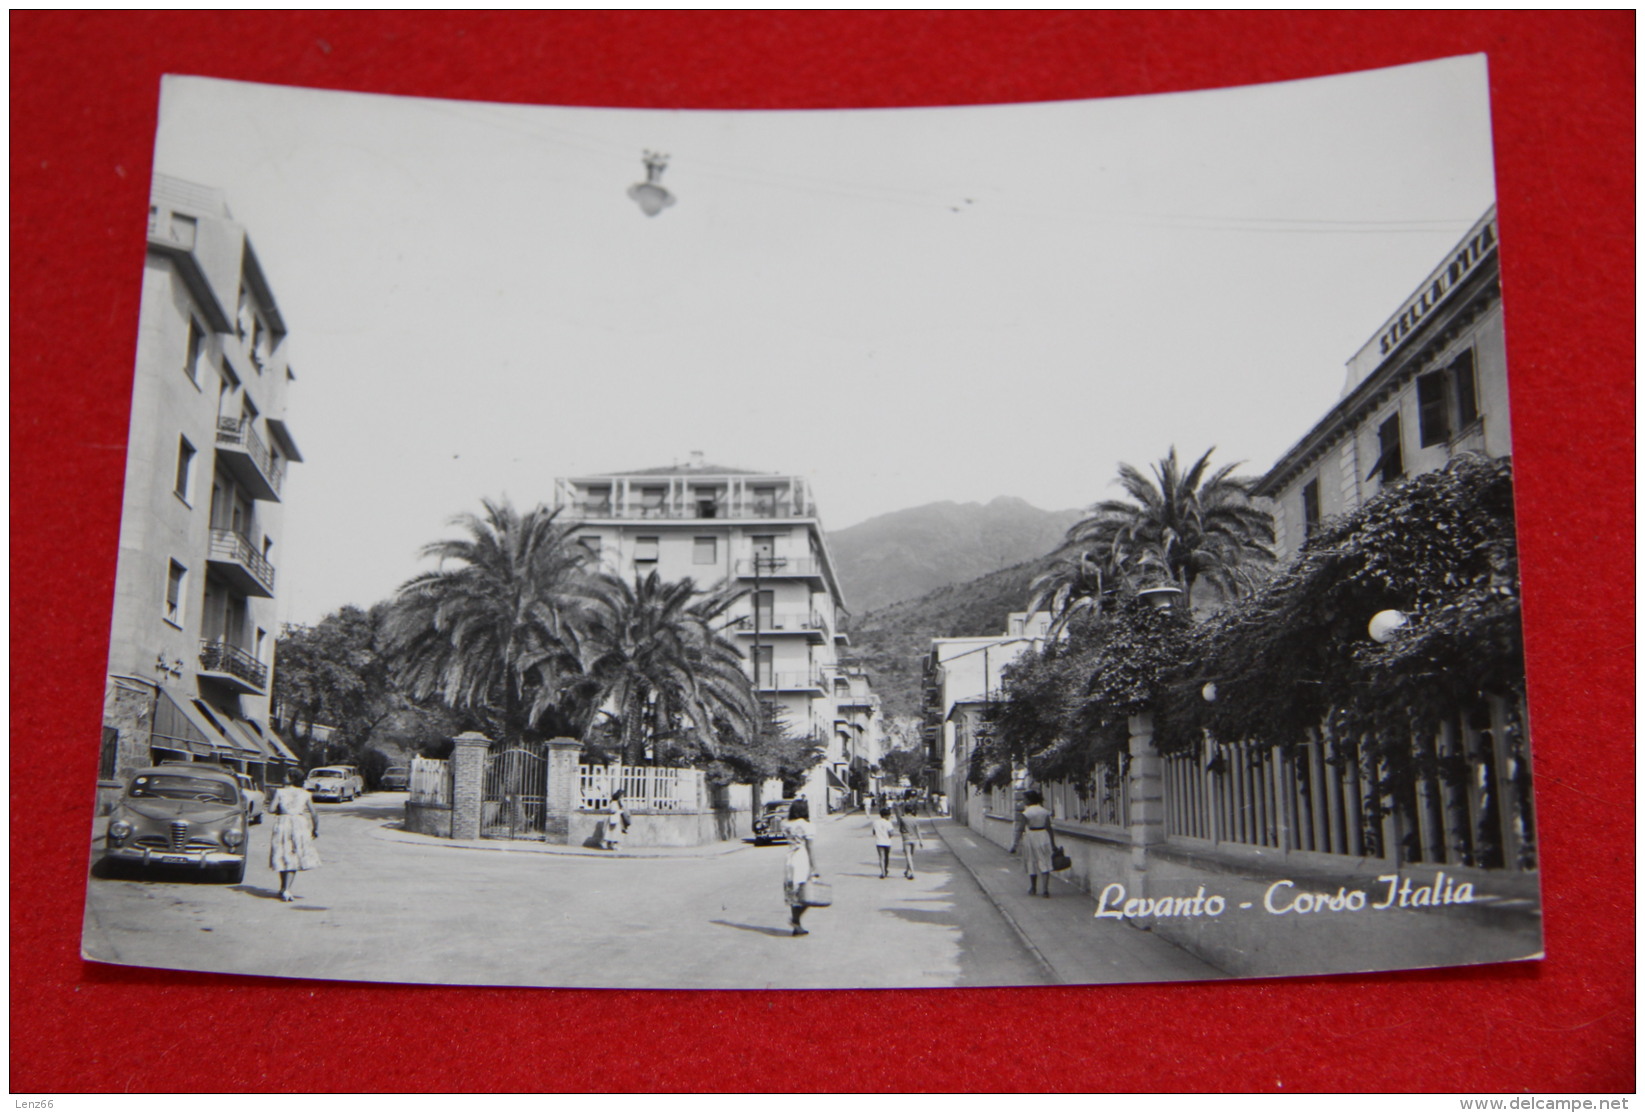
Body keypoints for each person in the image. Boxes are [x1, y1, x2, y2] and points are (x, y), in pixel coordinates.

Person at [268, 767, 320, 902]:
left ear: (292, 778)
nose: (284, 777)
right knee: (293, 855)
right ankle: (286, 889)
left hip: (283, 823)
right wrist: (315, 829)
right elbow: (314, 813)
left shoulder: (280, 792)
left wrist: (282, 809)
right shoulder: (305, 793)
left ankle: (283, 888)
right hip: (299, 824)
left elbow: (271, 809)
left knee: (282, 853)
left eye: (286, 775)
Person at [782, 798, 821, 936]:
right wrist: (814, 867)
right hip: (802, 858)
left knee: (794, 893)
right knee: (808, 894)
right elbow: (810, 847)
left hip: (789, 858)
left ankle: (797, 926)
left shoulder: (786, 824)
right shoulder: (807, 825)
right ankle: (795, 920)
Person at [1009, 788, 1055, 898]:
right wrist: (1053, 843)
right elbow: (1049, 828)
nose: (1024, 801)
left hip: (1031, 836)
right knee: (1045, 861)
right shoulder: (1044, 811)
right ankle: (1045, 889)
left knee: (1032, 861)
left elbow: (1020, 829)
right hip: (1043, 836)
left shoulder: (1026, 813)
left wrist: (1015, 844)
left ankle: (1033, 888)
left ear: (1029, 800)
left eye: (1025, 798)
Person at [895, 804, 924, 879]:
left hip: (906, 838)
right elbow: (918, 830)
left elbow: (900, 829)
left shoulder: (902, 819)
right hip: (914, 839)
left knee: (908, 856)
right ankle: (907, 870)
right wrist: (921, 841)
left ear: (905, 810)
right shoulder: (915, 819)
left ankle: (912, 872)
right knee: (910, 856)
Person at [871, 807, 896, 879]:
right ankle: (885, 869)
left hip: (879, 842)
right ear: (886, 815)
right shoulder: (888, 823)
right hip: (887, 842)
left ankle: (882, 872)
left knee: (881, 857)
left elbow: (874, 832)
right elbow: (891, 833)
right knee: (886, 857)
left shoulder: (875, 822)